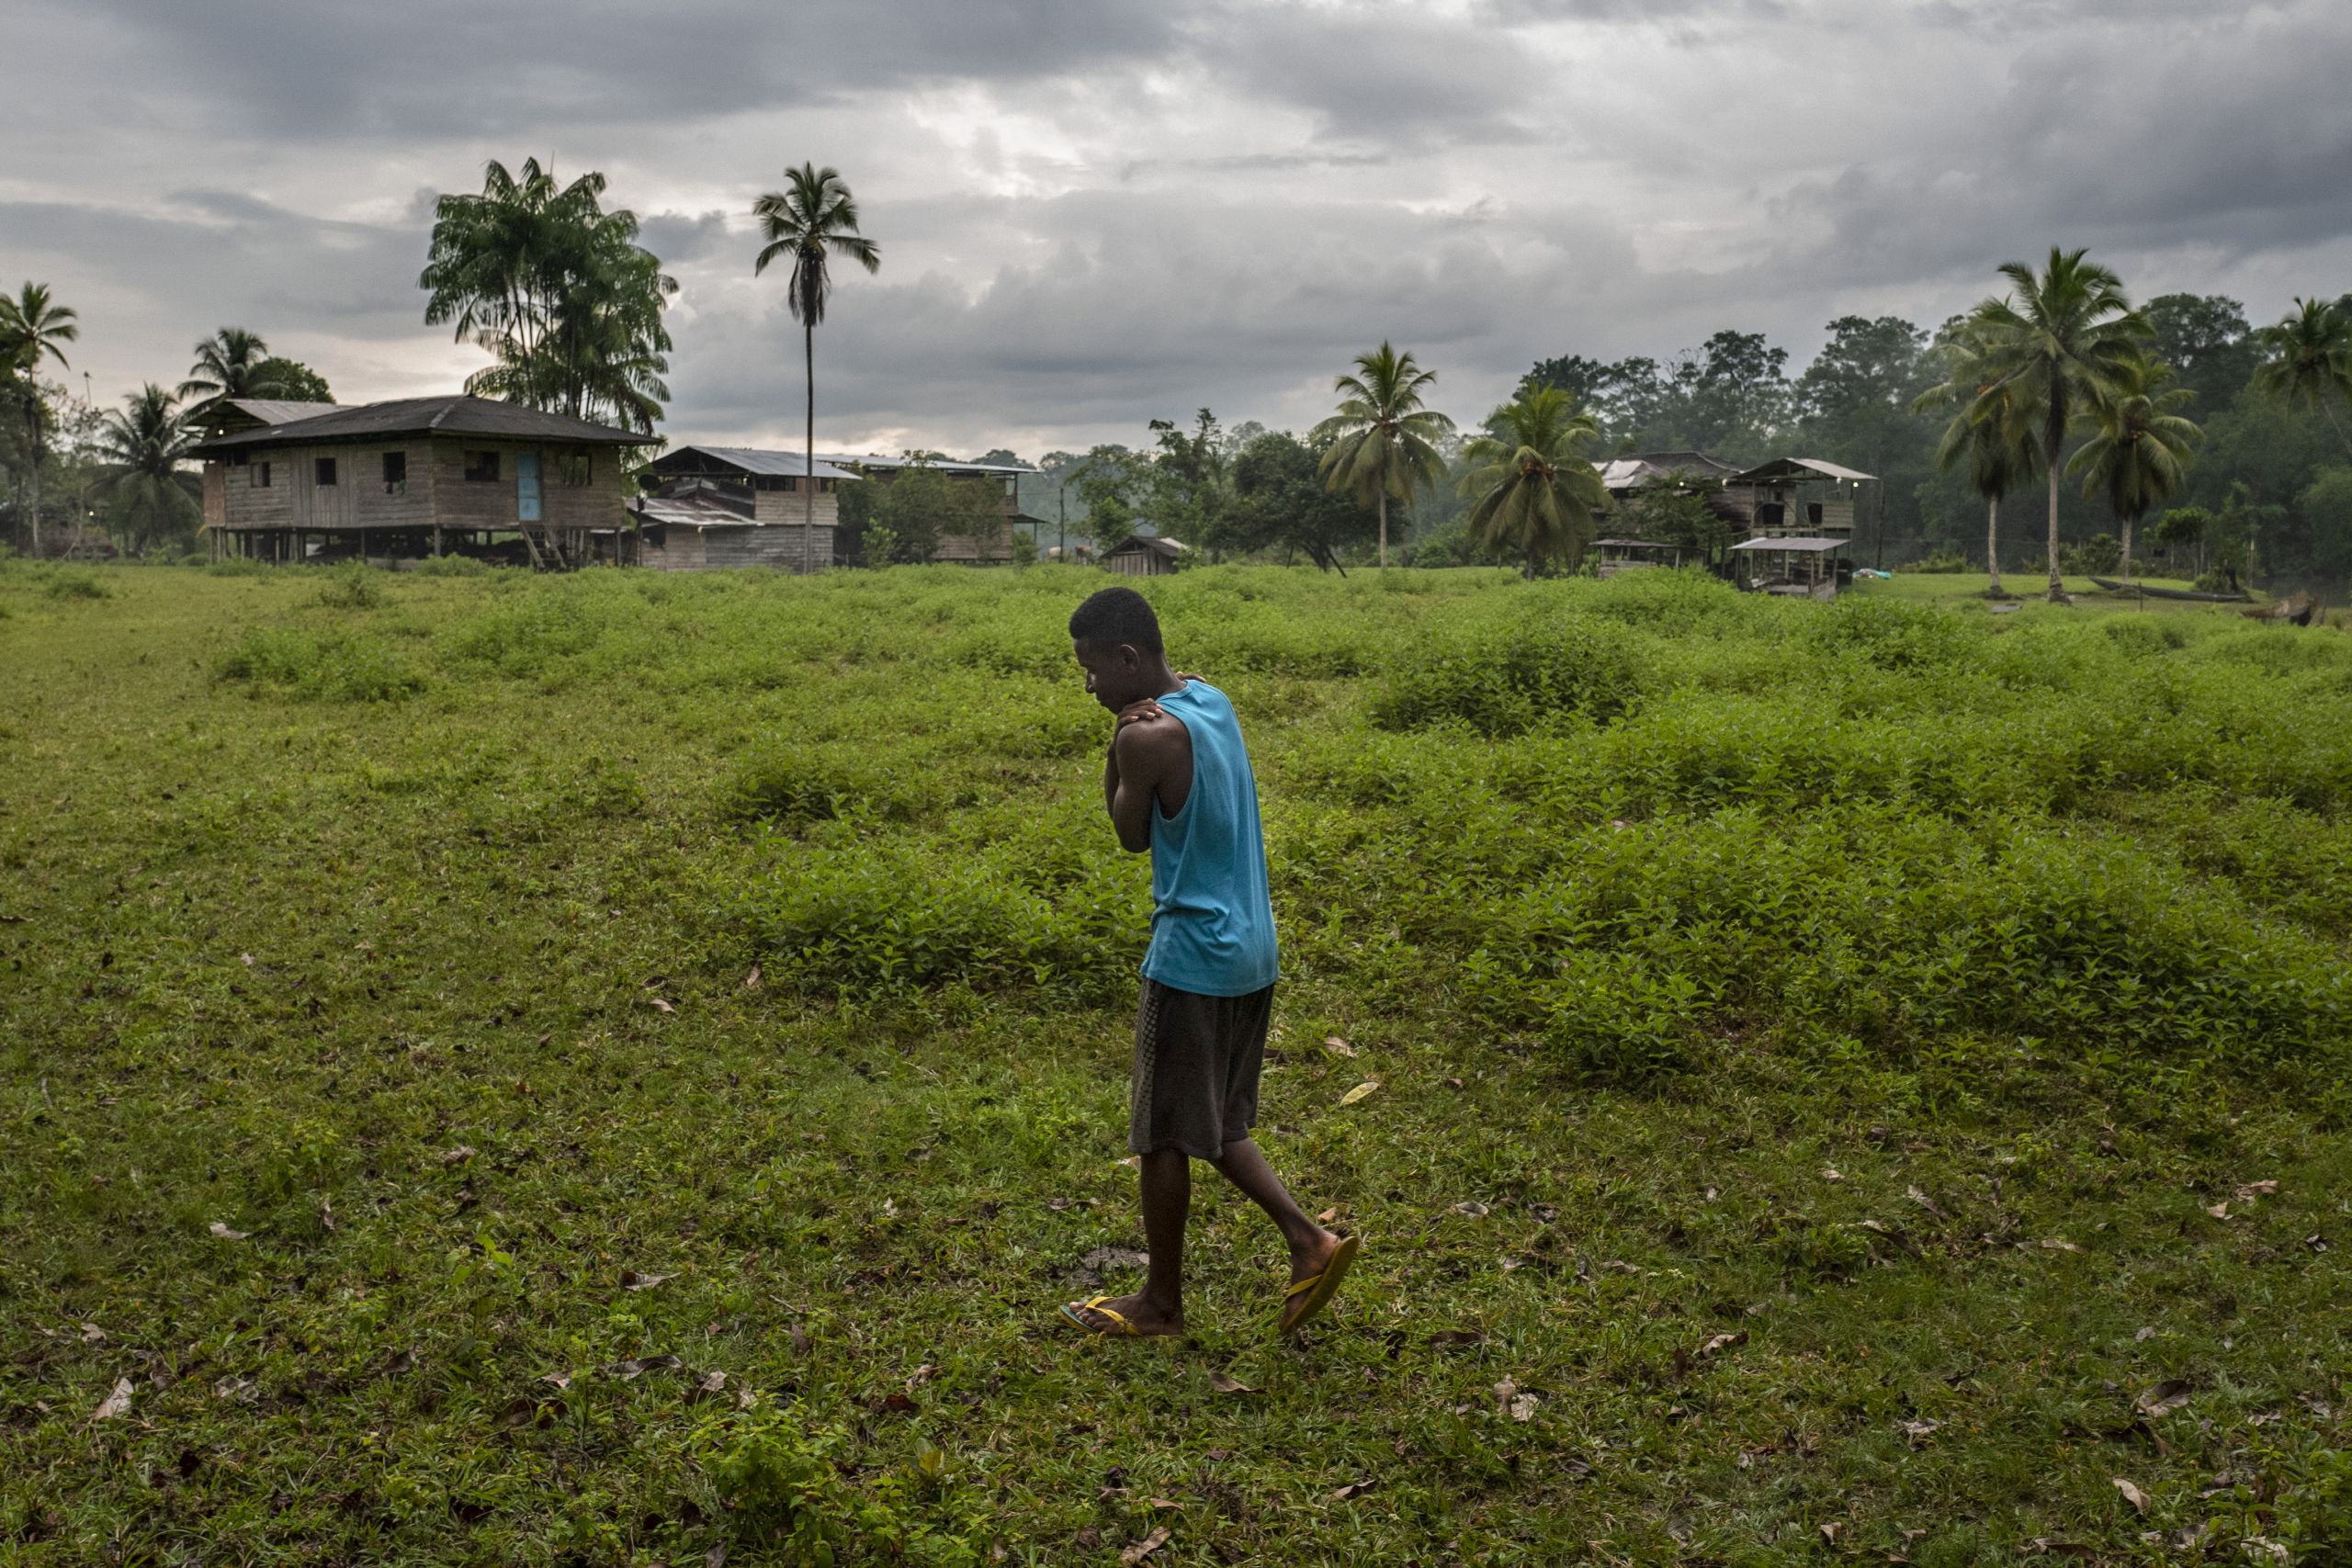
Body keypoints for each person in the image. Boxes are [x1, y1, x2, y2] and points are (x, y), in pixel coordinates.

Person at [1058, 585, 1358, 1338]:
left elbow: (1127, 835)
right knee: (1215, 1120)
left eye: (1093, 670)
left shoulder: (1145, 738)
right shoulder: (1208, 696)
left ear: (1129, 659)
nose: (1088, 686)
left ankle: (1162, 1303)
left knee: (1164, 1133)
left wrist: (1117, 741)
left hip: (1192, 952)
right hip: (1252, 947)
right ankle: (1308, 1241)